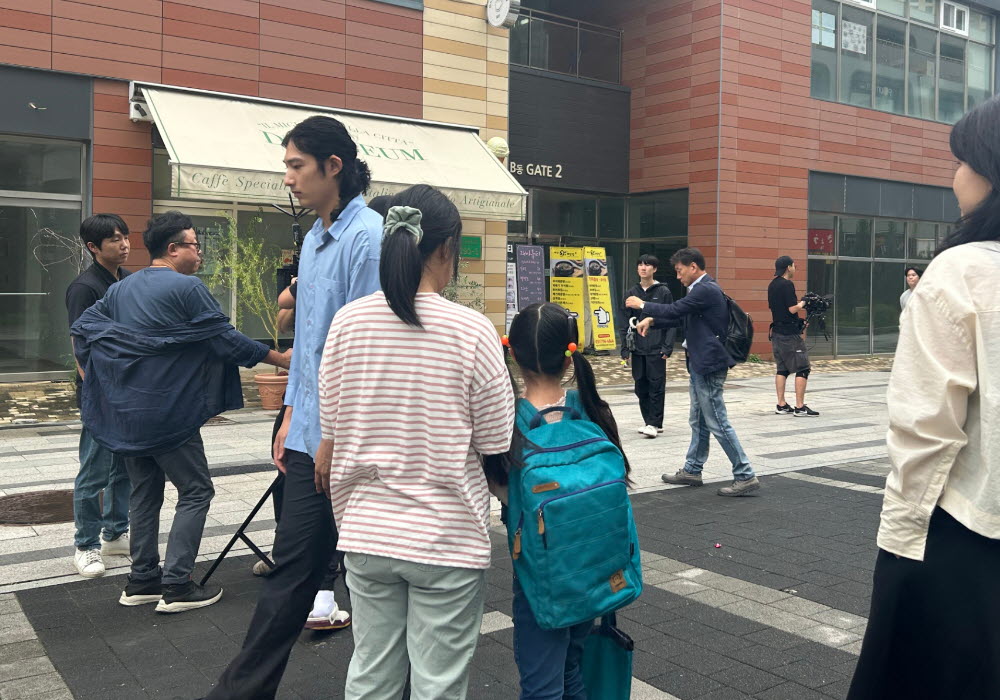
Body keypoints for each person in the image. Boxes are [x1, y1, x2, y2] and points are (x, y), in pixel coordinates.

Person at [204, 115, 382, 700]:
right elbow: (308, 346)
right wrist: (290, 419)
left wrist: (329, 435)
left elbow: (366, 351)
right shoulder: (315, 239)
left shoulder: (368, 239)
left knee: (377, 574)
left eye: (296, 166)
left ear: (334, 166)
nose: (288, 179)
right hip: (311, 436)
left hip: (347, 441)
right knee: (294, 570)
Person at [314, 185, 515, 699]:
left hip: (366, 532)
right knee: (438, 684)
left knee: (371, 674)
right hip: (447, 537)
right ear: (446, 249)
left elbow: (331, 427)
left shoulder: (347, 323)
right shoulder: (472, 330)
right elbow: (495, 439)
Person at [847, 97, 1000, 700]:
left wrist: (901, 540)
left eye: (961, 162)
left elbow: (926, 430)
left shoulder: (963, 271)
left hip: (967, 531)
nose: (954, 176)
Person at [71, 211, 291, 613]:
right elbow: (225, 341)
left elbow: (84, 328)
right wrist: (282, 359)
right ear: (173, 249)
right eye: (194, 245)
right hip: (168, 411)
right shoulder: (188, 287)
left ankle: (141, 581)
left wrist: (104, 378)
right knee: (196, 490)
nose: (200, 253)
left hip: (127, 412)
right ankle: (177, 585)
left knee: (144, 493)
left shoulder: (121, 288)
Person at [493, 301, 632, 699]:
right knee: (571, 666)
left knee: (541, 685)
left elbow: (504, 492)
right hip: (594, 570)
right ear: (569, 357)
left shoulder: (508, 423)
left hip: (541, 576)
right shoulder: (591, 409)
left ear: (513, 354)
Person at [631, 248, 760, 497]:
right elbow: (682, 318)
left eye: (680, 271)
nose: (678, 276)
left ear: (693, 267)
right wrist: (653, 320)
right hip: (701, 363)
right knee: (698, 420)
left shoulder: (705, 289)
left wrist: (643, 305)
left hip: (709, 364)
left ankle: (745, 474)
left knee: (717, 421)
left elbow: (675, 310)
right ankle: (692, 469)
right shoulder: (700, 289)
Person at [65, 214, 133, 578]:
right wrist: (99, 392)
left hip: (127, 389)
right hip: (100, 394)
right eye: (114, 239)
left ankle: (116, 533)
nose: (124, 244)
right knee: (94, 470)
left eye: (125, 237)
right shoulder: (85, 287)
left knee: (123, 467)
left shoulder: (127, 280)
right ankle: (86, 545)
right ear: (93, 247)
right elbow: (80, 347)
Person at [617, 254, 677, 438]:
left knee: (656, 385)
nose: (643, 268)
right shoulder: (631, 292)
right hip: (637, 347)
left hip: (657, 347)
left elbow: (671, 319)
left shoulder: (663, 292)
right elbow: (624, 321)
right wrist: (625, 348)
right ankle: (649, 421)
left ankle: (654, 423)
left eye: (648, 265)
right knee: (640, 386)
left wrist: (667, 346)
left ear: (654, 269)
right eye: (641, 265)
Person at [768, 255, 818, 417]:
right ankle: (800, 407)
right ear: (788, 267)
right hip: (789, 336)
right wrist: (804, 302)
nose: (795, 268)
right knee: (803, 368)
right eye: (794, 266)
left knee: (782, 369)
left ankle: (781, 404)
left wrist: (798, 322)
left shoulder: (772, 285)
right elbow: (791, 309)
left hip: (776, 332)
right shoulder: (787, 284)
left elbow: (780, 311)